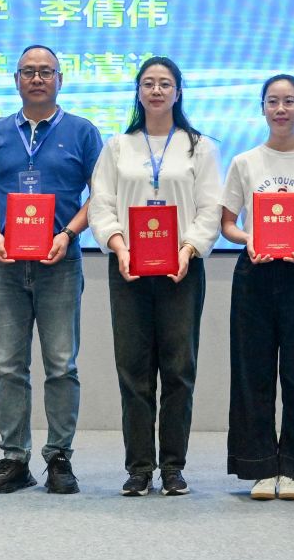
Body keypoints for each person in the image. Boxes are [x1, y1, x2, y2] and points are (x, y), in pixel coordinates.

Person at [0, 45, 103, 497]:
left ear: (60, 79)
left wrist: (68, 233)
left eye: (46, 71)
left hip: (60, 261)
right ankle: (14, 459)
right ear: (16, 80)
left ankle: (59, 457)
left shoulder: (83, 131)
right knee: (10, 366)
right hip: (6, 262)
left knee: (62, 365)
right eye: (29, 71)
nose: (38, 78)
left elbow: (100, 196)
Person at [87, 56, 223, 496]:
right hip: (128, 268)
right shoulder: (117, 146)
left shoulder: (200, 147)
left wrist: (188, 248)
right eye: (148, 83)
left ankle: (173, 467)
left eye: (165, 83)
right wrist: (119, 246)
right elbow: (101, 204)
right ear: (138, 92)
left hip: (182, 269)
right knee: (133, 370)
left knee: (179, 370)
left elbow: (210, 209)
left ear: (178, 92)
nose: (157, 90)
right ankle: (139, 467)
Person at [219, 74, 294, 499]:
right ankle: (259, 467)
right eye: (272, 101)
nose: (281, 109)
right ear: (262, 109)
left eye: (289, 101)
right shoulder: (245, 162)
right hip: (254, 271)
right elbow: (227, 223)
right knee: (251, 372)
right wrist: (248, 238)